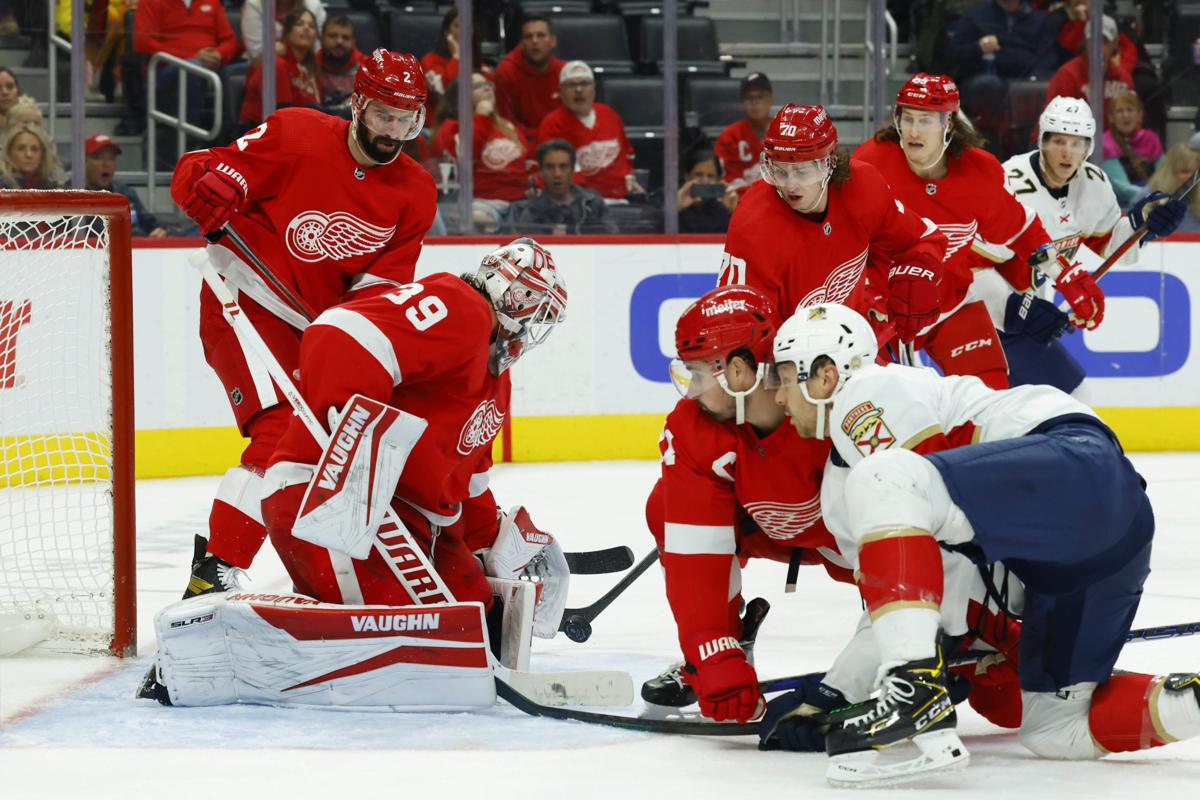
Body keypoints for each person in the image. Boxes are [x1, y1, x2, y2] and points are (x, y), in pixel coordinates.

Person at [771, 302, 1200, 785]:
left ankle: (915, 690)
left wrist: (842, 688)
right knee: (1056, 729)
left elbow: (940, 554)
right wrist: (838, 691)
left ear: (826, 374)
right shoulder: (842, 479)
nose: (779, 396)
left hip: (1071, 463)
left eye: (785, 377)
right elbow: (907, 593)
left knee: (885, 478)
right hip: (1098, 543)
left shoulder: (867, 393)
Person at [138, 240, 571, 710]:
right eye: (535, 308)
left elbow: (464, 485)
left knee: (478, 622)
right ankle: (201, 654)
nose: (533, 327)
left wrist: (498, 542)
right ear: (509, 292)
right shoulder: (459, 307)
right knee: (430, 651)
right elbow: (340, 330)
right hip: (327, 496)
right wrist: (353, 438)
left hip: (400, 521)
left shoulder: (494, 376)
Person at [167, 49, 437, 598]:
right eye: (384, 115)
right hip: (242, 295)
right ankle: (212, 573)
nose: (393, 131)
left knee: (326, 442)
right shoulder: (296, 133)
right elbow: (198, 167)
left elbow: (375, 296)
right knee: (277, 434)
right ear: (357, 104)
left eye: (406, 119)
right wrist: (205, 187)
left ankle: (336, 575)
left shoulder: (415, 193)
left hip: (315, 329)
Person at [641, 284, 851, 722]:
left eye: (697, 375)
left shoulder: (835, 402)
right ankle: (733, 639)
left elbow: (904, 527)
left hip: (846, 538)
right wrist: (712, 650)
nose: (691, 392)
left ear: (738, 371)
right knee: (664, 506)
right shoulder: (695, 428)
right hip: (767, 527)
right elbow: (695, 547)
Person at [854, 73, 1068, 390]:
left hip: (951, 304)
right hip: (882, 312)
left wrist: (1069, 276)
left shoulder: (979, 171)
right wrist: (868, 297)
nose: (913, 130)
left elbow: (1021, 231)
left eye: (925, 120)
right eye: (907, 118)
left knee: (991, 394)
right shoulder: (870, 165)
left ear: (949, 125)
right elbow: (842, 241)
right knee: (883, 407)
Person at [971, 96, 1184, 396]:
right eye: (1058, 141)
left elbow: (1110, 246)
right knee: (1064, 404)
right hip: (983, 324)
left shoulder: (1093, 184)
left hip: (1024, 327)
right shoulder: (1010, 182)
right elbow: (971, 266)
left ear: (1089, 148)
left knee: (1071, 403)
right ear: (1042, 141)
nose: (1067, 152)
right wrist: (1017, 309)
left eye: (1077, 143)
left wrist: (1143, 224)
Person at [718, 103, 949, 350]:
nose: (790, 185)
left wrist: (919, 276)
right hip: (789, 359)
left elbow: (923, 240)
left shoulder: (863, 187)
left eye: (802, 171)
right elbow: (743, 328)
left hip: (854, 344)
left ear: (830, 164)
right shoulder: (753, 225)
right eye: (780, 171)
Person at [432, 72, 535, 231]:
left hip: (521, 201)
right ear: (460, 98)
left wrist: (535, 184)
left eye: (488, 84)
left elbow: (530, 161)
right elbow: (464, 156)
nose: (487, 88)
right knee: (475, 220)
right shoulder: (451, 127)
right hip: (482, 202)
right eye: (478, 86)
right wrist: (481, 117)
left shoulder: (507, 126)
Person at [535, 61, 642, 202]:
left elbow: (626, 154)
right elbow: (550, 173)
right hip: (579, 204)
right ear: (560, 91)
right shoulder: (552, 124)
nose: (579, 90)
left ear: (594, 88)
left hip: (619, 199)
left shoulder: (609, 114)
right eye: (571, 85)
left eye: (585, 84)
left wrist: (630, 179)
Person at [509, 139, 614, 234]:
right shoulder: (530, 212)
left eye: (563, 167)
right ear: (541, 172)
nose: (557, 174)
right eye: (550, 167)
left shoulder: (592, 203)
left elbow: (612, 241)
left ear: (572, 170)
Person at [240, 7, 321, 126]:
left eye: (312, 26)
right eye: (299, 24)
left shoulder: (311, 67)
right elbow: (283, 112)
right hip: (259, 132)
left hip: (296, 127)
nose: (306, 28)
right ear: (287, 33)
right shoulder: (276, 63)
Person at [1045, 14, 1134, 120]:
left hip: (1112, 136)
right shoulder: (1067, 75)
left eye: (1104, 41)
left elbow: (1133, 121)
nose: (1097, 47)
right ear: (1085, 42)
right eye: (1092, 41)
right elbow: (1053, 122)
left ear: (1115, 43)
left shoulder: (1123, 77)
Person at [82, 134, 167, 237]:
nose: (106, 164)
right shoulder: (67, 196)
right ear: (83, 161)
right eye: (98, 158)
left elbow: (152, 225)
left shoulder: (125, 194)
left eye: (111, 158)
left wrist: (160, 230)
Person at [493, 14, 565, 132]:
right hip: (523, 141)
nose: (535, 41)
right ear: (521, 43)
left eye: (541, 35)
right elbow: (506, 123)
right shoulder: (506, 71)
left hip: (558, 138)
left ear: (552, 41)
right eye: (528, 37)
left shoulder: (564, 72)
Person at [420, 6, 490, 119]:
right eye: (458, 26)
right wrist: (457, 57)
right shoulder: (429, 61)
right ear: (447, 32)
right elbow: (449, 94)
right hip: (437, 126)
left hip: (472, 124)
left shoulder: (480, 66)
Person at [1102, 90, 1162, 209]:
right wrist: (1154, 196)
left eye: (1130, 110)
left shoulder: (1151, 138)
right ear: (1111, 117)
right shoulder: (1104, 143)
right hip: (1121, 207)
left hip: (1154, 202)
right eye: (1120, 111)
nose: (1125, 115)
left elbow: (1165, 174)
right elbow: (1122, 188)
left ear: (1140, 115)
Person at [714, 72, 773, 193]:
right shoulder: (730, 135)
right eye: (749, 97)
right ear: (742, 103)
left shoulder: (785, 132)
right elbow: (728, 182)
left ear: (771, 100)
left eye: (760, 96)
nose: (755, 102)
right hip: (742, 203)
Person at [1136, 144, 1200, 234]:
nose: (1193, 177)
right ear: (1169, 172)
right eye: (1185, 171)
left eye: (1197, 173)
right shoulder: (1145, 197)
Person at [240, 0, 326, 62]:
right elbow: (257, 53)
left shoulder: (313, 5)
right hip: (265, 66)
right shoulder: (254, 4)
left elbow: (318, 48)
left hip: (307, 64)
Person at [314, 15, 367, 113]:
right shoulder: (311, 65)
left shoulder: (367, 69)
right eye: (332, 36)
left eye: (345, 37)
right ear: (321, 39)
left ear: (353, 42)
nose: (339, 41)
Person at [677, 149, 738, 234]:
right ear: (687, 176)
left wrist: (735, 212)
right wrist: (675, 208)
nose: (705, 181)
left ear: (718, 180)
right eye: (698, 174)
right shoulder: (671, 199)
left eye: (711, 176)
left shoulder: (723, 208)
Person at [0, 123, 64, 189]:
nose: (28, 154)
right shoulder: (2, 185)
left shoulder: (53, 188)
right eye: (21, 148)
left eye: (34, 149)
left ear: (42, 155)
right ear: (9, 153)